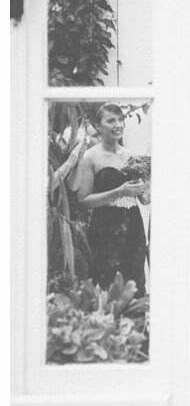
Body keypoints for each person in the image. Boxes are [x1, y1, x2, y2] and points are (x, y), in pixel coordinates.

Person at [72, 103, 149, 296]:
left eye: (120, 119)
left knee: (135, 282)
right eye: (111, 120)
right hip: (104, 229)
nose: (118, 125)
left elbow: (145, 200)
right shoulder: (91, 157)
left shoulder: (131, 156)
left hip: (133, 227)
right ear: (99, 126)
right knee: (108, 284)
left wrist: (146, 185)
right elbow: (84, 200)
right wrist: (119, 191)